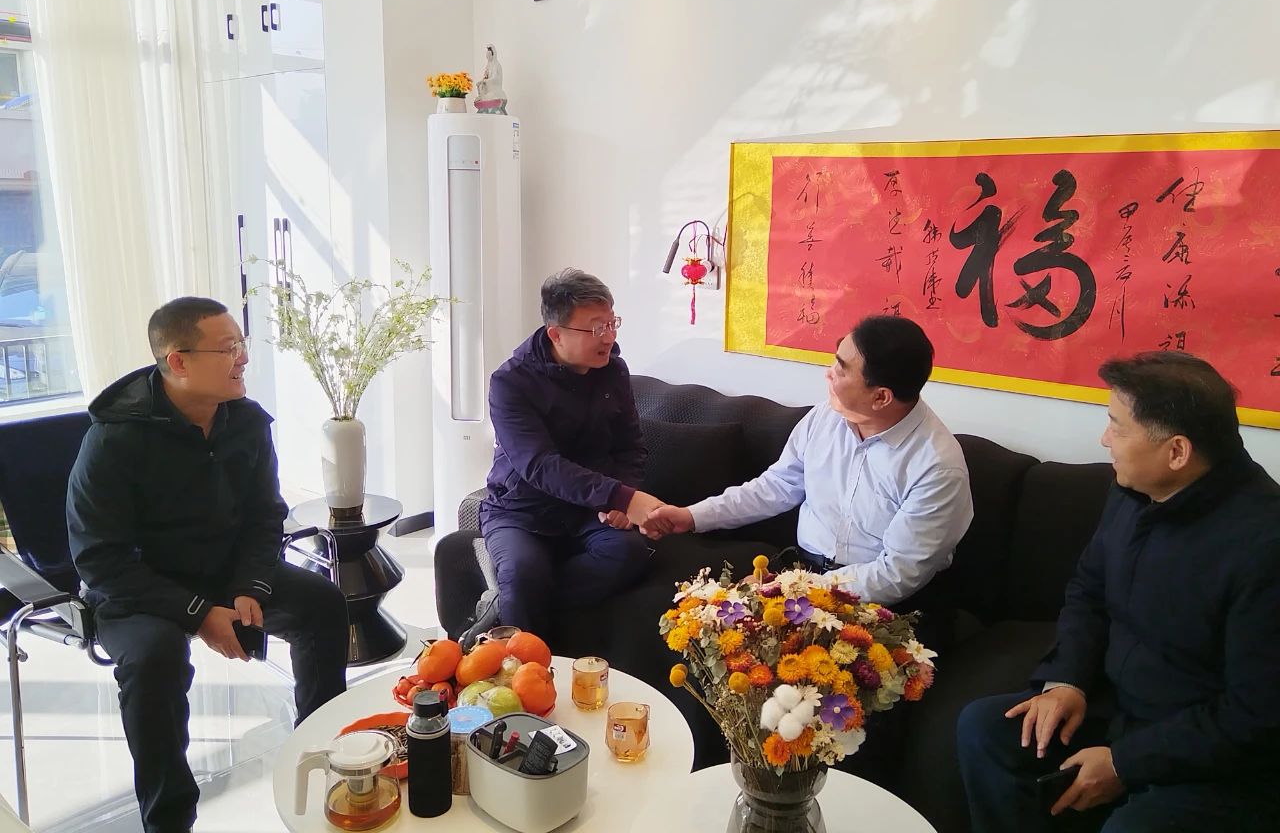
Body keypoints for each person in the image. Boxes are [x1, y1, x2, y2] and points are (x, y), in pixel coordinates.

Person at [956, 351, 1280, 833]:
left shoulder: (1264, 545)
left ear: (1176, 452)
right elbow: (1089, 590)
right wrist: (1066, 680)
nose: (1104, 439)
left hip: (1209, 751)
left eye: (1117, 426)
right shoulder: (1134, 490)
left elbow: (1255, 716)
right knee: (986, 730)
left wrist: (1126, 762)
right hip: (1120, 705)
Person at [67, 297, 348, 833]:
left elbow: (266, 515)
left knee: (321, 604)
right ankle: (168, 820)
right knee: (154, 659)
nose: (243, 358)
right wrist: (197, 612)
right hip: (138, 589)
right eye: (228, 348)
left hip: (223, 568)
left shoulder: (246, 421)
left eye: (242, 343)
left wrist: (251, 584)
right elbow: (99, 559)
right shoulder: (113, 439)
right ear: (178, 361)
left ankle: (318, 759)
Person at [621, 314, 973, 613]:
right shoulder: (825, 418)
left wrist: (794, 590)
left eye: (841, 369)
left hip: (881, 599)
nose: (828, 375)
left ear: (881, 397)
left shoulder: (936, 467)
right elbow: (776, 487)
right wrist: (691, 516)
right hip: (802, 569)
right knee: (704, 623)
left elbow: (898, 573)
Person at [478, 269, 660, 638]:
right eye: (596, 328)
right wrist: (622, 497)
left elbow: (630, 445)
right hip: (521, 510)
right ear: (556, 334)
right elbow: (539, 465)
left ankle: (510, 605)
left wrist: (622, 496)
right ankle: (522, 624)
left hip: (587, 512)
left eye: (612, 323)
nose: (609, 337)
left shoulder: (613, 371)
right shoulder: (510, 382)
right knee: (523, 573)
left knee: (629, 553)